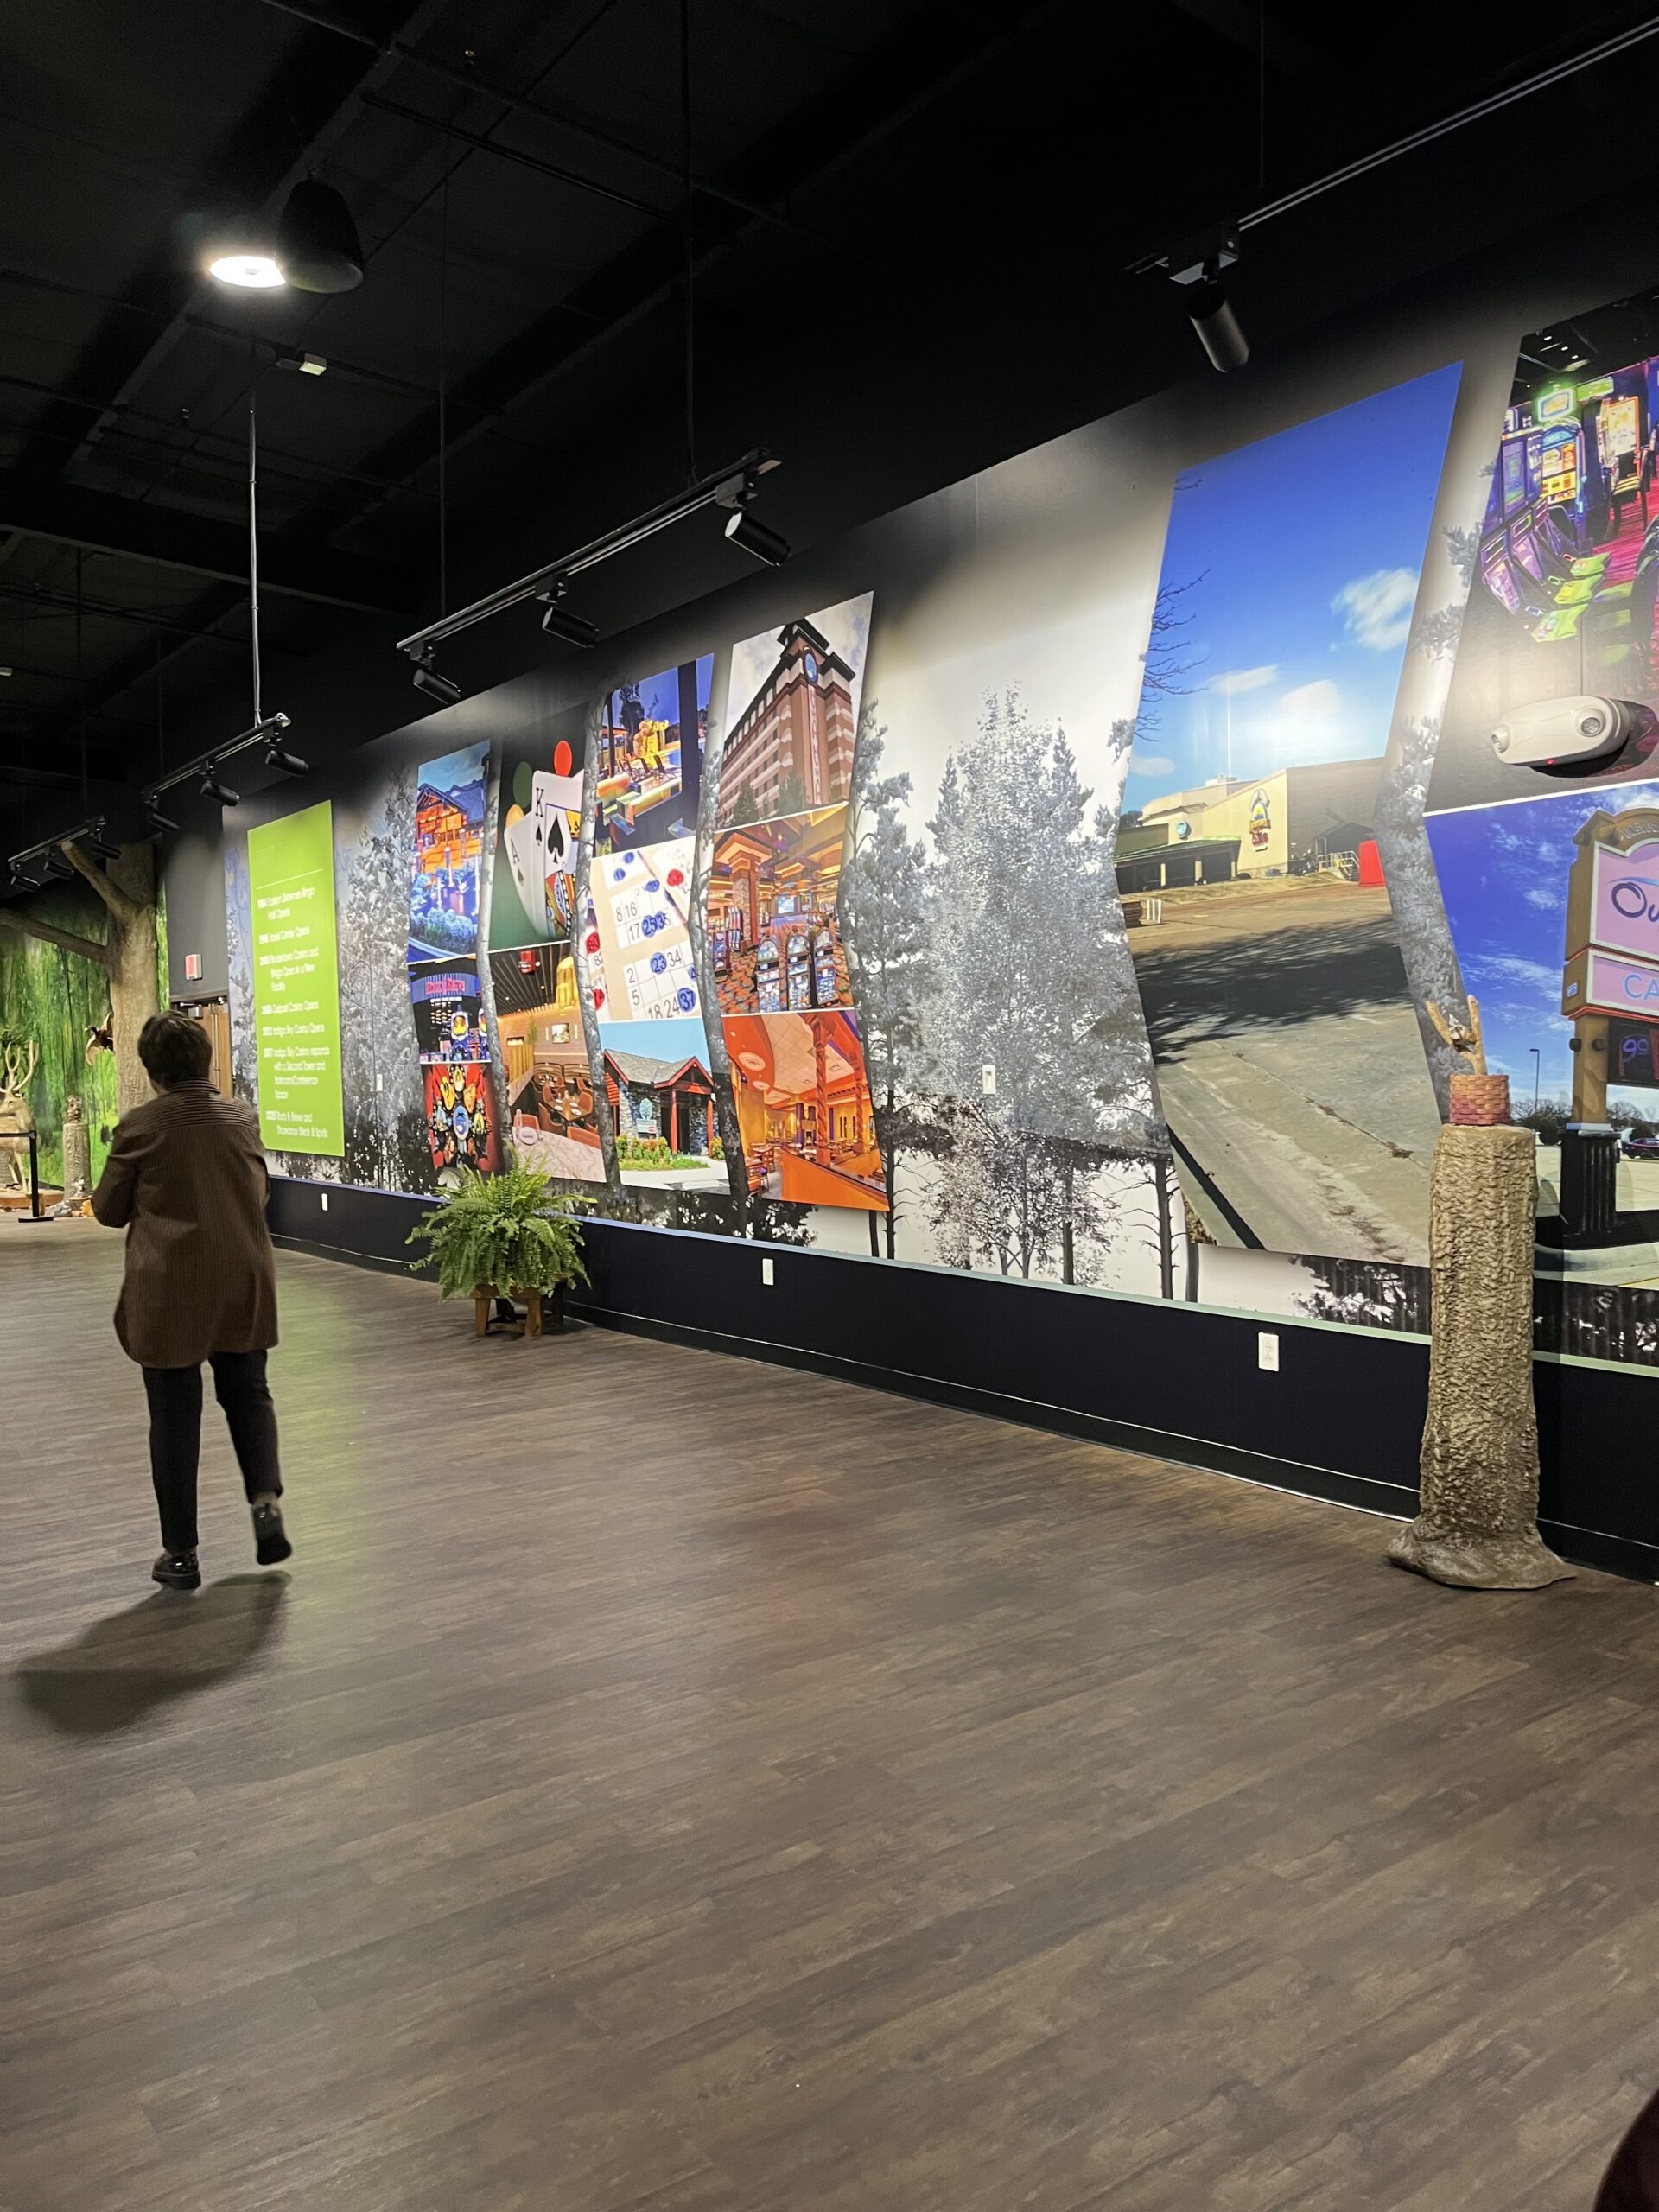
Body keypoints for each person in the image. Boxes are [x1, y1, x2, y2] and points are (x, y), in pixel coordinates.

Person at [92, 1010, 291, 1591]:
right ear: (206, 1062)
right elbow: (258, 1191)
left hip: (171, 1290)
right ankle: (265, 1504)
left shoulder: (142, 1126)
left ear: (152, 1069)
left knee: (174, 1419)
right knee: (249, 1395)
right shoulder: (240, 1116)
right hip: (242, 1282)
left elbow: (107, 1210)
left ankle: (181, 1555)